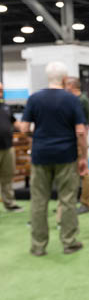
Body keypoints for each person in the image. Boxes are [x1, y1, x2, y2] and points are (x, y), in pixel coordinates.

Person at [21, 61, 87, 256]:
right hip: (66, 155)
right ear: (65, 79)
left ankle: (38, 246)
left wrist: (38, 138)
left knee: (39, 200)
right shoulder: (72, 100)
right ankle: (69, 242)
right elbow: (81, 132)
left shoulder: (34, 98)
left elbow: (24, 128)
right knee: (67, 199)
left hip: (41, 154)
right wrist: (82, 157)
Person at [56, 77, 89, 216]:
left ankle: (85, 202)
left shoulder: (81, 101)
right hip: (73, 140)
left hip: (78, 140)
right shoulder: (78, 100)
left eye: (66, 85)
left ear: (71, 86)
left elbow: (81, 126)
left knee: (84, 172)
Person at [0, 82, 22, 213]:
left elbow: (15, 122)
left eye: (2, 89)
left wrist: (29, 129)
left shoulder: (6, 107)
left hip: (8, 147)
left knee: (8, 176)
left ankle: (10, 203)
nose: (1, 91)